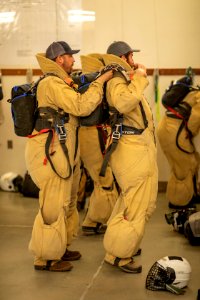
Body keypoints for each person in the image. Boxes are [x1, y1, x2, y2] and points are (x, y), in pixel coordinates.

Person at [25, 41, 113, 272]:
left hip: (64, 149)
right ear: (59, 59)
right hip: (53, 151)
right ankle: (45, 258)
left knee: (68, 201)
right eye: (70, 57)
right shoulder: (53, 83)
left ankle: (59, 246)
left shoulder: (63, 82)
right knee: (54, 204)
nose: (74, 60)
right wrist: (100, 82)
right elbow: (81, 106)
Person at [80, 41, 158, 273]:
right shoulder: (117, 81)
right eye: (132, 56)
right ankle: (119, 255)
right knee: (136, 205)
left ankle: (120, 245)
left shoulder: (123, 79)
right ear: (125, 57)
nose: (135, 60)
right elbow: (124, 103)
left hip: (136, 148)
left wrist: (135, 78)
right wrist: (141, 77)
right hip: (131, 150)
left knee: (133, 202)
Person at [77, 56, 118, 235]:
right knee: (104, 180)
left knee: (100, 179)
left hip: (87, 135)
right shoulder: (96, 85)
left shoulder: (81, 83)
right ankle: (100, 220)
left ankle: (93, 220)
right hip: (94, 135)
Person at [157, 77, 200, 208]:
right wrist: (191, 132)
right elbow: (196, 117)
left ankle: (190, 195)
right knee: (185, 167)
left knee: (184, 164)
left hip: (167, 128)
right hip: (174, 131)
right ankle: (179, 202)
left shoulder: (195, 91)